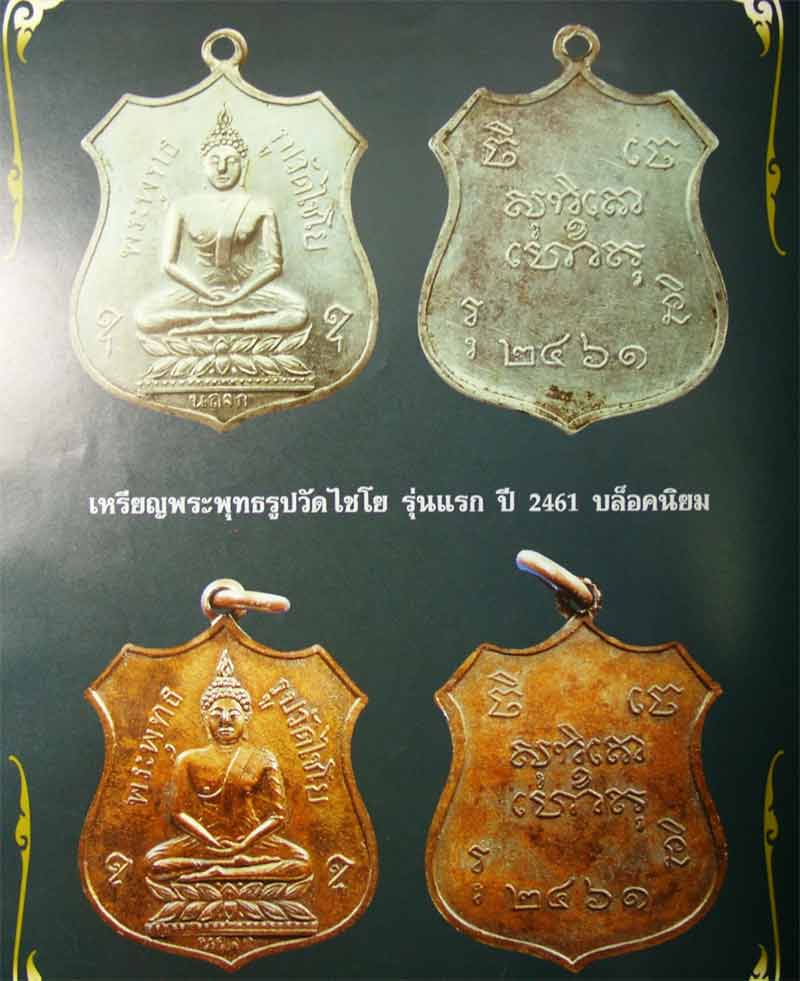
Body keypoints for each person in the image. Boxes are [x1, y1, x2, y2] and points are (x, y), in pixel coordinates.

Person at [135, 106, 309, 335]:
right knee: (144, 316)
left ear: (243, 165)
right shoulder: (183, 207)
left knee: (299, 312)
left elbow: (274, 265)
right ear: (203, 164)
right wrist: (204, 293)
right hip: (197, 291)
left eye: (231, 161)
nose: (222, 168)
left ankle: (219, 324)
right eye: (214, 160)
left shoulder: (260, 206)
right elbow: (168, 264)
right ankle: (228, 319)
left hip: (246, 290)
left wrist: (238, 296)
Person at [145, 649, 312, 884]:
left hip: (251, 840)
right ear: (205, 718)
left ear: (246, 717)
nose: (225, 719)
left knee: (302, 863)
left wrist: (243, 845)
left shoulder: (263, 758)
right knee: (153, 863)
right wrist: (211, 842)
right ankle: (231, 868)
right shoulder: (188, 759)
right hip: (204, 840)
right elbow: (178, 813)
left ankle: (222, 872)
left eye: (233, 713)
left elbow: (278, 815)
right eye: (217, 713)